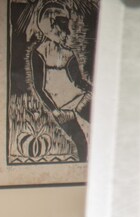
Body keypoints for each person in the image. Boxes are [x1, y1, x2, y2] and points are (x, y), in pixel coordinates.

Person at [23, 0, 93, 160]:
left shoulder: (68, 52)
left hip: (79, 99)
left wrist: (93, 89)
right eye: (63, 24)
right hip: (60, 108)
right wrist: (54, 110)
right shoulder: (38, 53)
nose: (66, 31)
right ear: (50, 24)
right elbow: (39, 87)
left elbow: (78, 81)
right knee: (81, 142)